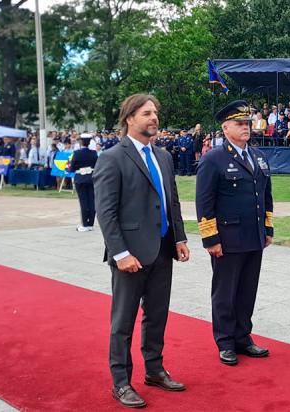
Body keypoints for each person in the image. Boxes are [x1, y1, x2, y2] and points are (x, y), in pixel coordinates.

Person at [93, 94, 190, 408]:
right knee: (123, 321)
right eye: (147, 113)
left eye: (156, 113)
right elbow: (106, 212)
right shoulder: (112, 157)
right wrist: (120, 254)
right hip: (130, 256)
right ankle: (121, 382)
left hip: (162, 249)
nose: (154, 118)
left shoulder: (163, 156)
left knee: (157, 315)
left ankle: (154, 370)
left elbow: (171, 200)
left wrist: (179, 238)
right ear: (129, 118)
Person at [195, 100, 273, 367]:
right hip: (227, 239)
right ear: (225, 128)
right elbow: (204, 202)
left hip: (254, 236)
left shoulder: (259, 156)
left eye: (248, 123)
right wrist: (210, 238)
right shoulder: (213, 159)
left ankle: (243, 337)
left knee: (247, 290)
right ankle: (225, 341)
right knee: (225, 292)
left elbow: (266, 196)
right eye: (240, 123)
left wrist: (268, 228)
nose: (245, 128)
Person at [68, 133, 98, 232]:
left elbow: (72, 168)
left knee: (83, 201)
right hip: (91, 178)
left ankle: (84, 224)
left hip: (80, 178)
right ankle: (90, 224)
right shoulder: (94, 153)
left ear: (81, 141)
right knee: (92, 201)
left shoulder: (77, 153)